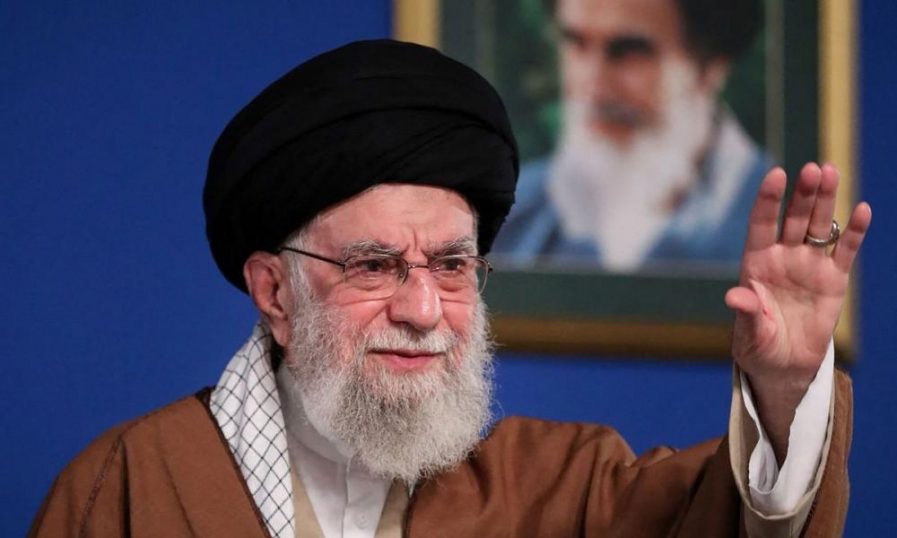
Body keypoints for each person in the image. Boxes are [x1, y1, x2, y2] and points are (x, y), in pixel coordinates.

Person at [29, 39, 870, 537]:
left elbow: (724, 525)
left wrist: (783, 386)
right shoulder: (124, 489)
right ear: (274, 293)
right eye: (372, 266)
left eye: (452, 265)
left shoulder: (566, 487)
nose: (423, 310)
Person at [492, 0, 769, 272]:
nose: (593, 85)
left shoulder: (775, 221)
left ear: (710, 66)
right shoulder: (508, 216)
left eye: (628, 51)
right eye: (577, 44)